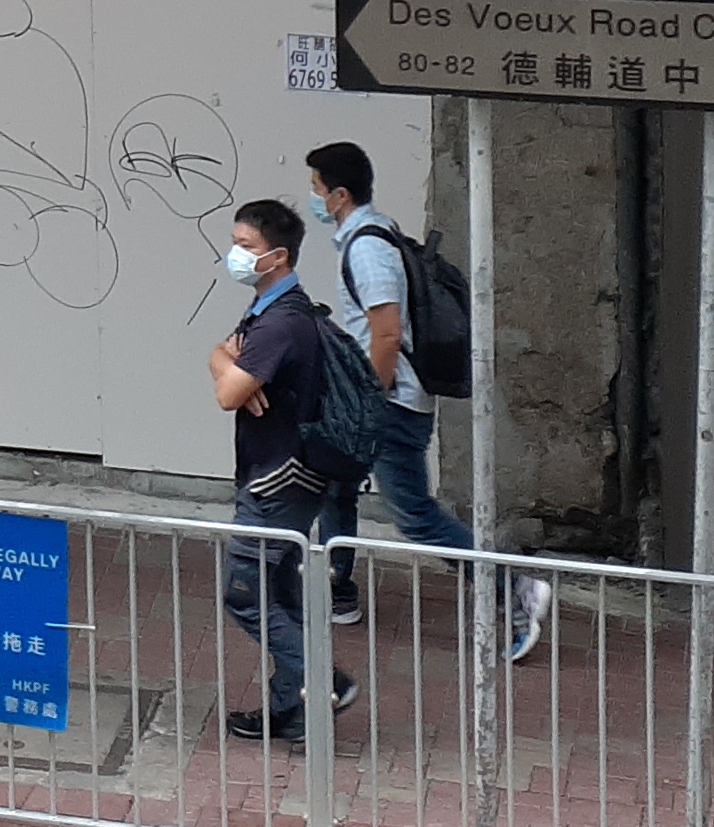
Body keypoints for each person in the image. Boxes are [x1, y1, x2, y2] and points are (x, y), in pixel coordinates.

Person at [305, 140, 551, 663]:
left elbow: (387, 334)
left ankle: (516, 588)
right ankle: (338, 592)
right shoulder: (375, 232)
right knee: (336, 486)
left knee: (415, 515)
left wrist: (368, 404)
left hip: (387, 403)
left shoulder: (368, 249)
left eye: (317, 189)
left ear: (340, 194)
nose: (314, 198)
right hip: (381, 398)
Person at [210, 197, 357, 740]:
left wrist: (227, 366)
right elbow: (221, 360)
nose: (235, 255)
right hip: (289, 476)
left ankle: (324, 683)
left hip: (276, 482)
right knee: (282, 596)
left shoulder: (280, 325)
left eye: (245, 247)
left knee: (246, 596)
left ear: (277, 256)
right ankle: (290, 706)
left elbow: (227, 391)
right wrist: (225, 362)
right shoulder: (276, 311)